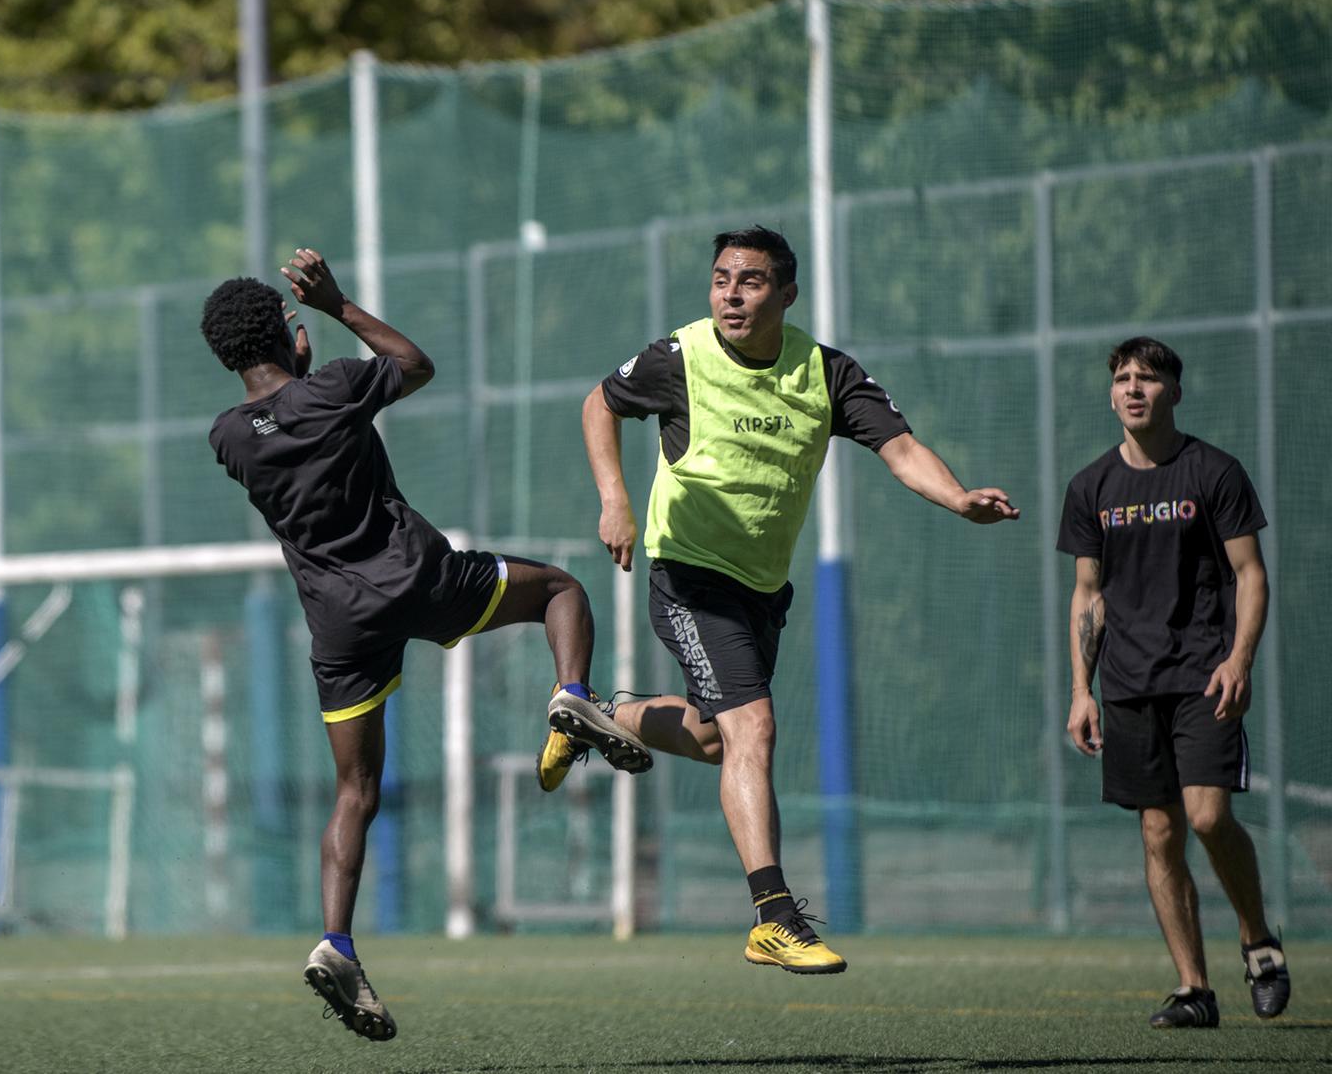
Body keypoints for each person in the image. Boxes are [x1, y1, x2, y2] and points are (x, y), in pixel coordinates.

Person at [202, 247, 651, 1043]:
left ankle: (336, 942)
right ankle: (572, 697)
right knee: (561, 591)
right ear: (285, 331)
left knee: (354, 793)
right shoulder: (334, 387)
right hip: (413, 577)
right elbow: (414, 364)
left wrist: (293, 366)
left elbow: (278, 419)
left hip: (336, 623)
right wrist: (339, 308)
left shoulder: (228, 437)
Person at [558, 225, 1019, 974]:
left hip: (761, 588)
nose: (731, 295)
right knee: (756, 727)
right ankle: (774, 915)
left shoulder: (827, 374)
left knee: (717, 740)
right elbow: (597, 405)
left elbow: (900, 449)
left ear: (787, 294)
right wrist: (615, 499)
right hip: (687, 570)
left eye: (750, 281)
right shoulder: (681, 356)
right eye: (720, 279)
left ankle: (603, 719)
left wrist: (960, 498)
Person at [1059, 336, 1289, 1028]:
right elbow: (1087, 596)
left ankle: (1259, 943)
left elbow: (1250, 574)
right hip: (1128, 685)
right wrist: (1081, 690)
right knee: (1159, 833)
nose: (1134, 388)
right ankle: (1195, 990)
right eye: (1124, 378)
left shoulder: (1212, 471)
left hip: (1203, 677)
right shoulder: (1091, 487)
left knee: (1210, 816)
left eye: (1149, 378)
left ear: (1174, 393)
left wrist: (1239, 658)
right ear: (1111, 393)